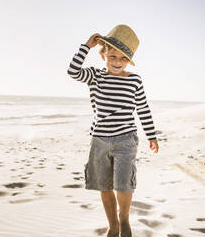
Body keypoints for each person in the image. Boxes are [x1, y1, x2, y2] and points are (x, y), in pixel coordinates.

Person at [67, 24, 159, 237]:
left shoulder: (134, 80)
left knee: (124, 184)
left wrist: (151, 135)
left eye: (123, 58)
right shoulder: (95, 76)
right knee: (104, 185)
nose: (117, 62)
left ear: (129, 60)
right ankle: (113, 224)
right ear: (103, 55)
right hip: (99, 139)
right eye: (112, 57)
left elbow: (143, 109)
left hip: (126, 140)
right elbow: (72, 71)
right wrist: (86, 46)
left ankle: (125, 220)